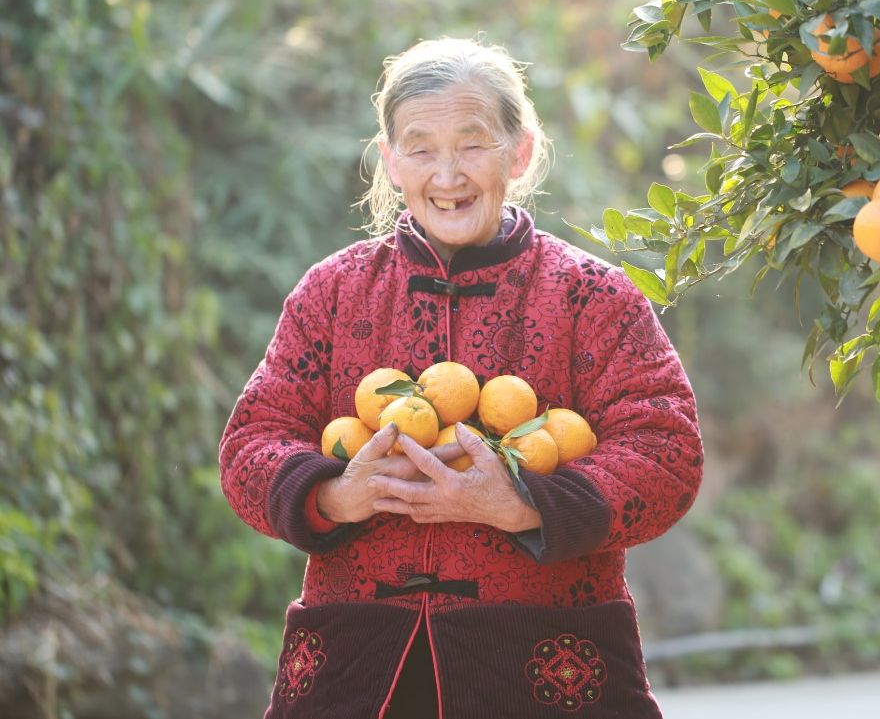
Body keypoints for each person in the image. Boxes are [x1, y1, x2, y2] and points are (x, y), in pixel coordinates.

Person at [218, 37, 704, 718]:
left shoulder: (593, 296)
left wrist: (524, 503)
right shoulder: (332, 293)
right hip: (353, 671)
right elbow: (250, 443)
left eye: (472, 143)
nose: (447, 174)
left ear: (520, 150)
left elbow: (666, 451)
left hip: (547, 669)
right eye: (420, 148)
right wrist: (337, 494)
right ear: (390, 161)